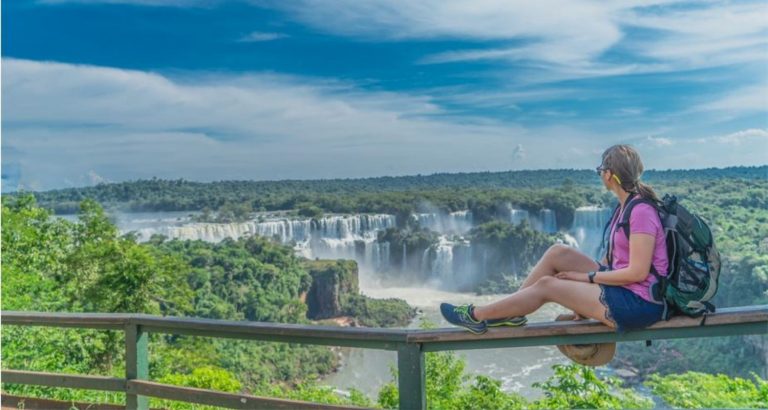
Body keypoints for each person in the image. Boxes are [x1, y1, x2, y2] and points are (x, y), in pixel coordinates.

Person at [441, 144, 668, 334]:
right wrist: (581, 295)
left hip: (639, 303)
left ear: (609, 174)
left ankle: (476, 315)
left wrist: (584, 279)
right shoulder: (624, 206)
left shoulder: (641, 211)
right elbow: (613, 262)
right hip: (624, 289)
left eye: (601, 169)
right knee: (558, 252)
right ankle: (513, 312)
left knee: (547, 286)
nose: (600, 174)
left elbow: (637, 273)